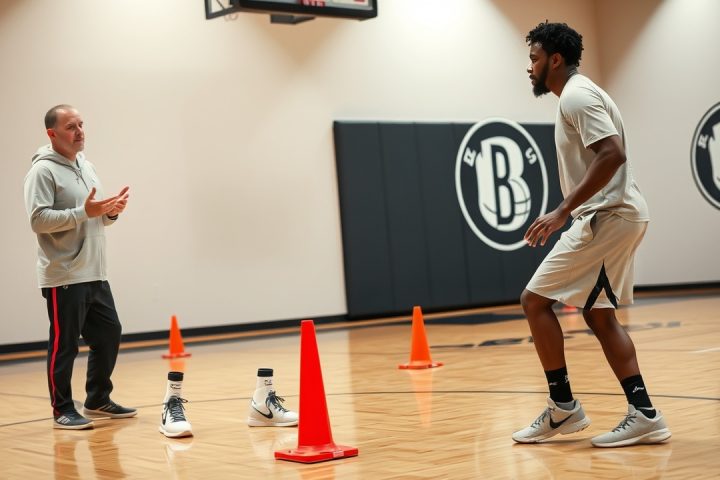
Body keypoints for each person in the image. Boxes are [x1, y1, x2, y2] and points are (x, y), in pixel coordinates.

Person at [512, 22, 671, 447]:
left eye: (534, 58)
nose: (529, 67)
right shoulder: (580, 94)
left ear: (555, 60)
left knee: (534, 301)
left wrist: (563, 210)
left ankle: (565, 407)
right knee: (598, 315)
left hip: (607, 216)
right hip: (615, 215)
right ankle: (642, 413)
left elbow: (612, 153)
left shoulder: (577, 97)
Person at [24, 104, 136, 430]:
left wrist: (110, 212)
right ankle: (62, 409)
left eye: (81, 124)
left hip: (95, 271)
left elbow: (93, 215)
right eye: (71, 126)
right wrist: (84, 212)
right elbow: (38, 220)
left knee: (109, 333)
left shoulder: (87, 166)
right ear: (52, 133)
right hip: (65, 274)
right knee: (65, 345)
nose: (80, 131)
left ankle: (97, 399)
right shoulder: (42, 171)